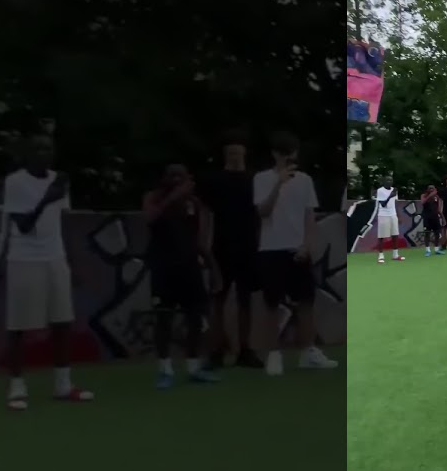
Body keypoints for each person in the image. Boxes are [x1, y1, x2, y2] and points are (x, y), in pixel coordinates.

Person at [1, 135, 94, 409]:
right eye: (39, 148)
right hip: (24, 259)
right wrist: (46, 199)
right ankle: (17, 388)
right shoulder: (15, 182)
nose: (45, 153)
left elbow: (63, 224)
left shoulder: (59, 181)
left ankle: (63, 385)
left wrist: (72, 263)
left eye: (49, 148)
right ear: (28, 153)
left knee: (62, 322)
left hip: (55, 258)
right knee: (19, 325)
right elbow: (24, 226)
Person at [253, 132, 338, 374]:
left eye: (292, 154)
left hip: (297, 249)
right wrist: (278, 183)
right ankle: (273, 354)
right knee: (271, 304)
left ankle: (308, 352)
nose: (289, 159)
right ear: (275, 155)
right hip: (270, 250)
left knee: (306, 302)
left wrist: (306, 245)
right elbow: (263, 212)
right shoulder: (261, 179)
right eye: (284, 154)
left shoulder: (305, 180)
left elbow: (309, 216)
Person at [142, 164, 219, 387]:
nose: (176, 179)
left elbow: (200, 241)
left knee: (196, 318)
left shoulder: (194, 204)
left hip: (189, 268)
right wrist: (172, 198)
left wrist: (213, 269)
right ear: (164, 179)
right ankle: (165, 370)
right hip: (163, 267)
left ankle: (194, 367)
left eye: (181, 176)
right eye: (171, 175)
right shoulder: (153, 198)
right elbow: (150, 218)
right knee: (164, 318)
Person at [200, 132, 263, 369]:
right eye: (231, 153)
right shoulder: (215, 181)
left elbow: (261, 215)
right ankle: (217, 349)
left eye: (239, 153)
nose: (236, 157)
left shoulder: (254, 180)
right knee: (218, 299)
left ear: (245, 155)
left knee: (245, 300)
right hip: (222, 245)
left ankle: (244, 349)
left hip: (248, 246)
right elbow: (206, 214)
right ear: (226, 155)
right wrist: (204, 246)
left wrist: (260, 243)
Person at [374, 175, 405, 263]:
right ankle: (381, 255)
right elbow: (383, 204)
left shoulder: (394, 190)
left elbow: (395, 203)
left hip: (393, 214)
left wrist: (398, 216)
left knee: (395, 235)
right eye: (387, 180)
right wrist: (390, 196)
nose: (389, 182)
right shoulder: (380, 190)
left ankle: (395, 255)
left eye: (391, 180)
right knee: (381, 236)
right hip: (383, 215)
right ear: (384, 181)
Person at [421, 185, 445, 256]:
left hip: (435, 218)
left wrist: (442, 218)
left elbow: (438, 209)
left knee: (437, 233)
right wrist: (430, 196)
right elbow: (422, 202)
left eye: (432, 189)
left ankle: (437, 249)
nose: (431, 190)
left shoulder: (436, 197)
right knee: (427, 233)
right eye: (430, 188)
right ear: (427, 190)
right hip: (427, 217)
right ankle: (428, 250)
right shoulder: (424, 196)